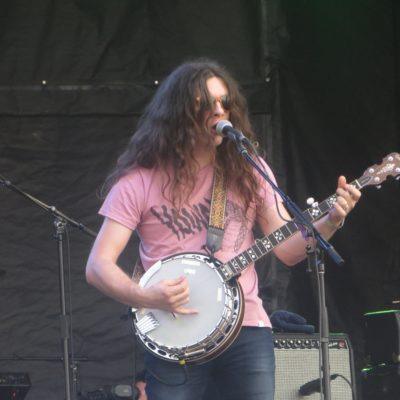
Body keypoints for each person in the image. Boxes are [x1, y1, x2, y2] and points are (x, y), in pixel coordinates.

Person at [85, 59, 361, 400]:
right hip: (175, 338)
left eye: (224, 102)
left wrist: (330, 221)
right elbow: (98, 266)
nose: (219, 111)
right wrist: (146, 297)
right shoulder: (139, 181)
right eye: (206, 103)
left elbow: (288, 250)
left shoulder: (249, 170)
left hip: (247, 331)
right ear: (179, 111)